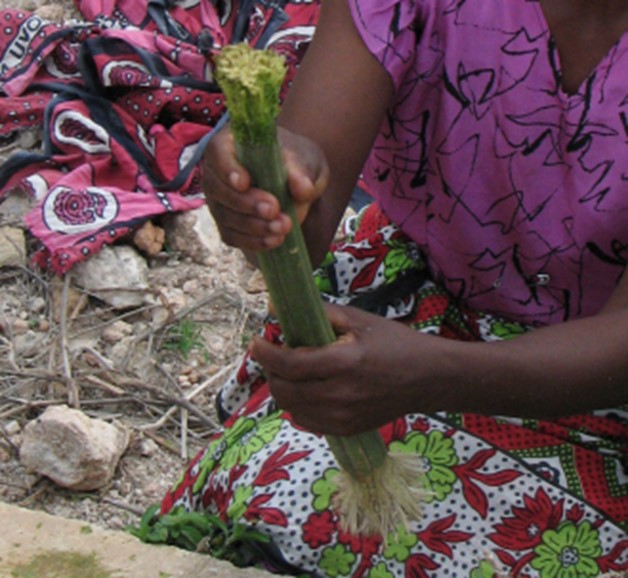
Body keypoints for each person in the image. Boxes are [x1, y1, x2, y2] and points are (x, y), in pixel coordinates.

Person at [161, 1, 628, 576]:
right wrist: (266, 189)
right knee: (278, 497)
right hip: (424, 306)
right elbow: (305, 209)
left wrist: (436, 376)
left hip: (596, 383)